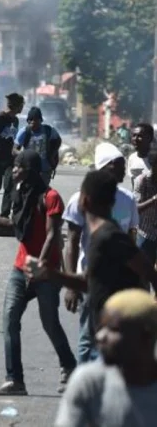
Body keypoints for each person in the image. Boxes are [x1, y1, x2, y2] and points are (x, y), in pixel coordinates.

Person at [0, 149, 76, 396]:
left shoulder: (51, 196)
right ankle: (15, 380)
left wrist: (38, 266)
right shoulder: (21, 193)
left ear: (30, 169)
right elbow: (12, 225)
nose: (13, 170)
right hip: (19, 268)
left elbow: (53, 235)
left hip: (44, 271)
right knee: (10, 319)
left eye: (18, 166)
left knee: (50, 323)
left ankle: (69, 368)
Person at [37, 171, 157, 355]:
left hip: (115, 326)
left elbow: (148, 273)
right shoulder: (97, 236)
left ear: (84, 201)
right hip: (100, 319)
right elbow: (90, 281)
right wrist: (52, 275)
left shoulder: (109, 237)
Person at [62, 143, 138, 365]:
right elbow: (72, 243)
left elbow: (131, 241)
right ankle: (83, 383)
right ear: (108, 167)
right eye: (121, 165)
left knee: (114, 336)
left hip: (120, 282)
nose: (124, 170)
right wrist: (71, 285)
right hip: (91, 280)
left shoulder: (128, 199)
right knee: (89, 336)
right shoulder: (79, 200)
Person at [54, 288, 157, 427]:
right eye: (101, 328)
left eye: (113, 329)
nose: (100, 337)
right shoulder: (89, 382)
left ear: (146, 336)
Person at [14, 106, 62, 185]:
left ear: (40, 120)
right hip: (28, 170)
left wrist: (52, 154)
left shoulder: (48, 130)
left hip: (45, 170)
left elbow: (58, 140)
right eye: (31, 120)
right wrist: (24, 155)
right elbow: (14, 150)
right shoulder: (24, 132)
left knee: (42, 193)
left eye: (36, 119)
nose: (33, 122)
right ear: (28, 121)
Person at [135, 149, 157, 268]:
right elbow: (136, 208)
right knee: (144, 273)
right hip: (146, 233)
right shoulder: (141, 181)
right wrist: (153, 200)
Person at [128, 123, 154, 190]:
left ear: (150, 138)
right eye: (134, 135)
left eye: (140, 136)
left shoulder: (154, 160)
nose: (135, 139)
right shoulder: (132, 158)